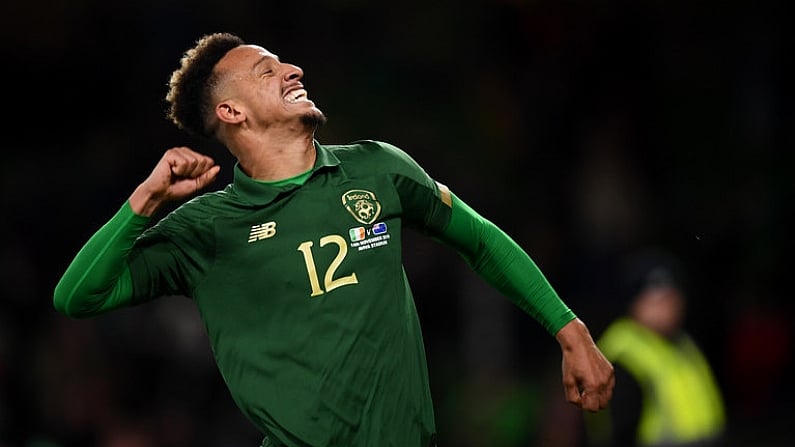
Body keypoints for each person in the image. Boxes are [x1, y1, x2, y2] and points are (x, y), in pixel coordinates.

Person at [53, 32, 614, 447]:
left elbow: (480, 239)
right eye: (267, 71)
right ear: (231, 112)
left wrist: (570, 330)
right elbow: (77, 297)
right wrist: (146, 202)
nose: (293, 69)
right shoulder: (207, 229)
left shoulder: (377, 168)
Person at [583, 250, 726, 447]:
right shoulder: (622, 355)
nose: (666, 307)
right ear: (635, 302)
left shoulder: (684, 344)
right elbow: (614, 434)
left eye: (672, 297)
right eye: (655, 299)